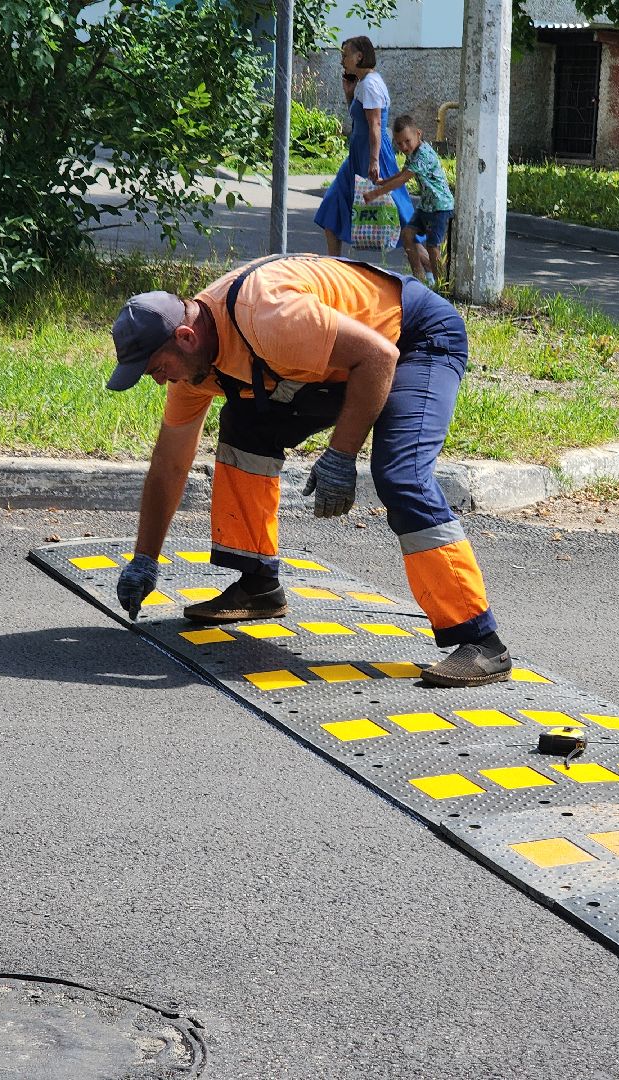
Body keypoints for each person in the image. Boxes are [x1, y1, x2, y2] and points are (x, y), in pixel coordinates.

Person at [107, 254, 512, 688]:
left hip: (412, 339)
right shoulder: (197, 365)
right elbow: (169, 464)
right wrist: (144, 558)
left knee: (401, 475)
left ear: (186, 337)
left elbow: (378, 356)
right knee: (246, 426)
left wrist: (341, 455)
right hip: (347, 357)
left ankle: (481, 641)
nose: (160, 381)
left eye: (157, 369)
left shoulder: (268, 316)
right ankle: (258, 585)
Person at [313, 36, 414, 258]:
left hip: (373, 153)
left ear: (359, 56)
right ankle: (335, 265)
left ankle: (427, 268)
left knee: (399, 213)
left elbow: (375, 124)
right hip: (356, 155)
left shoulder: (370, 85)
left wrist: (374, 160)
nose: (342, 61)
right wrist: (349, 94)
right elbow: (359, 118)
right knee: (332, 204)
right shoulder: (363, 83)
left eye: (345, 55)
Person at [362, 115, 454, 288]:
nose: (403, 146)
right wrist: (384, 181)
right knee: (407, 235)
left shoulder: (423, 155)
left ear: (418, 134)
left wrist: (375, 193)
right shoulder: (413, 152)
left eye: (407, 141)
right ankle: (418, 278)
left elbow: (403, 179)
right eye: (399, 143)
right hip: (426, 206)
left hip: (440, 207)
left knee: (433, 246)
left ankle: (442, 286)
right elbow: (402, 173)